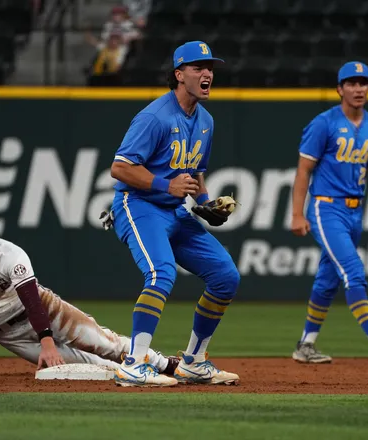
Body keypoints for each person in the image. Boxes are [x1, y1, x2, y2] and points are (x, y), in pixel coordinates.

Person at [101, 41, 241, 387]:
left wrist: (205, 204)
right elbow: (119, 168)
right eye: (197, 67)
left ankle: (193, 360)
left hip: (175, 212)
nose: (207, 73)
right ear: (179, 75)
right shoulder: (155, 117)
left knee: (226, 276)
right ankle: (133, 364)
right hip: (139, 206)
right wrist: (166, 185)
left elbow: (195, 172)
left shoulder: (205, 120)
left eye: (209, 67)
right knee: (161, 273)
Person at [0, 198, 178, 378]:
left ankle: (166, 365)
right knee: (86, 365)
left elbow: (32, 300)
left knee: (103, 342)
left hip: (43, 308)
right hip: (7, 334)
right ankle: (135, 373)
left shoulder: (8, 254)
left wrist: (47, 341)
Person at [289, 61, 368, 365]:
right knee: (354, 270)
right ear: (339, 89)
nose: (359, 88)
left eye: (363, 83)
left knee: (327, 280)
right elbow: (303, 170)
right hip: (326, 207)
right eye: (352, 83)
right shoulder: (325, 123)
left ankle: (305, 345)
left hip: (354, 212)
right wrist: (297, 213)